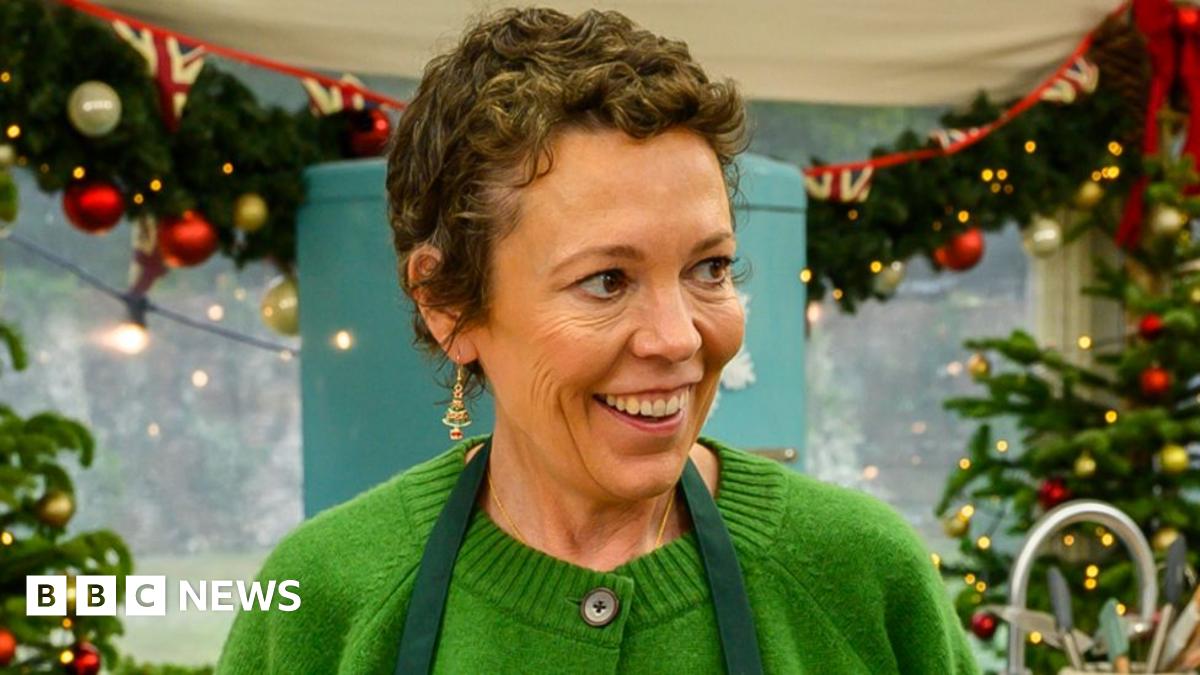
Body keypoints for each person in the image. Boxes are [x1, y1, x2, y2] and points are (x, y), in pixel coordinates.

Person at [216, 7, 979, 674]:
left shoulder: (864, 577)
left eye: (708, 268)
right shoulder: (322, 600)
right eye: (607, 280)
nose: (678, 338)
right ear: (447, 302)